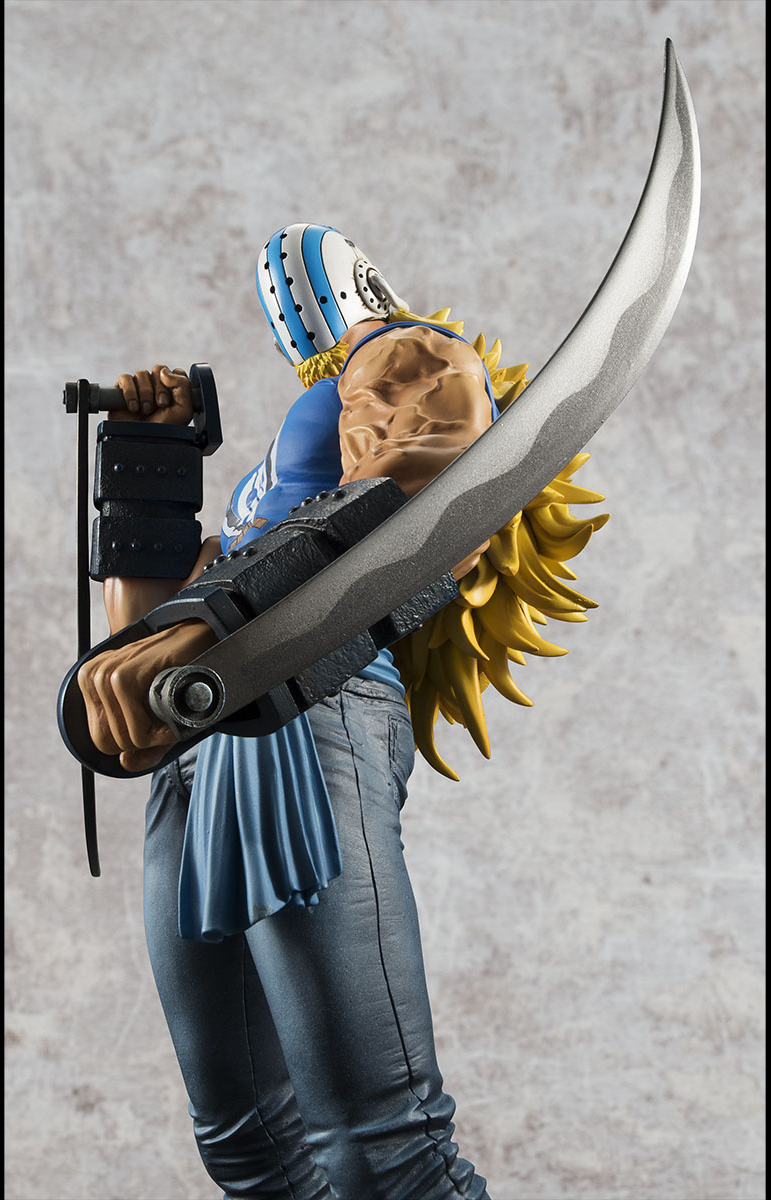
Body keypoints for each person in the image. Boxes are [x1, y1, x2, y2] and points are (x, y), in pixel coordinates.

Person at [76, 223, 607, 1197]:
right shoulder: (282, 466)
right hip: (204, 741)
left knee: (382, 1147)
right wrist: (152, 465)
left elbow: (419, 516)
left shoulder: (417, 356)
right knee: (249, 1146)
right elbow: (143, 655)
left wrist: (224, 624)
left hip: (305, 705)